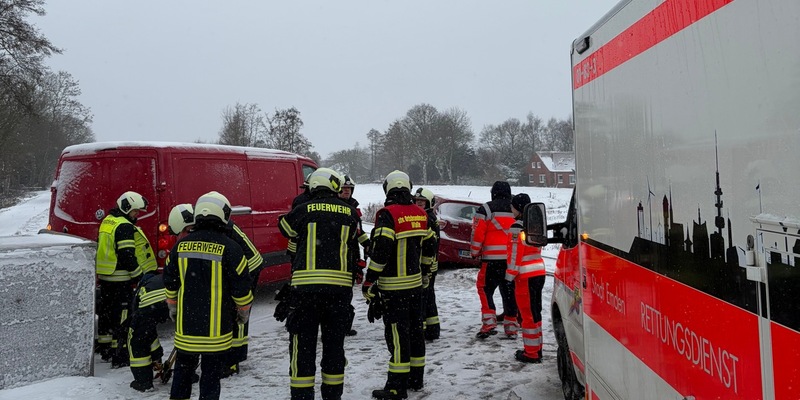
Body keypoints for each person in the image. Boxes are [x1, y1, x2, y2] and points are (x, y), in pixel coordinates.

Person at [278, 168, 361, 400]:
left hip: (306, 291)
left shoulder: (303, 209)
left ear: (313, 187)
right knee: (334, 347)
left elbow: (285, 229)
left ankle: (302, 396)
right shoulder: (350, 212)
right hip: (339, 293)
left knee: (302, 347)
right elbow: (355, 240)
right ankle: (332, 395)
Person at [164, 192, 254, 400]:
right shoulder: (232, 248)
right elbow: (242, 289)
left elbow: (170, 281)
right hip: (217, 333)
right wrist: (243, 313)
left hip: (186, 331)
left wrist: (173, 306)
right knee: (210, 378)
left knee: (183, 375)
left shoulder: (180, 246)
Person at [363, 170, 436, 400]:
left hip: (393, 288)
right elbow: (430, 247)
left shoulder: (387, 214)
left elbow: (382, 249)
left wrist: (370, 279)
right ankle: (416, 379)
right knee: (415, 332)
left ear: (388, 188)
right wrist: (424, 273)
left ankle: (396, 387)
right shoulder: (420, 213)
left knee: (397, 336)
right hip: (416, 287)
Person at [95, 191, 149, 367]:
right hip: (120, 278)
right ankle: (119, 353)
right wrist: (139, 275)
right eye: (135, 211)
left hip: (105, 276)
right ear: (127, 208)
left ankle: (104, 347)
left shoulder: (108, 221)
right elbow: (127, 255)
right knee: (122, 316)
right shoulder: (124, 226)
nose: (137, 215)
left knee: (106, 313)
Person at [469, 181, 519, 339]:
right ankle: (511, 326)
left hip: (491, 261)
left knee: (485, 289)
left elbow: (477, 234)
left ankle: (489, 322)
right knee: (510, 291)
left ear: (493, 192)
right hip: (511, 260)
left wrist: (474, 252)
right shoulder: (515, 209)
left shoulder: (486, 209)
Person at [505, 193, 546, 363]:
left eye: (512, 206)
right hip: (538, 273)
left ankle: (531, 353)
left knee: (527, 315)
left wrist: (509, 277)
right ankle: (537, 348)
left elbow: (514, 255)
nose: (511, 209)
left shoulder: (517, 228)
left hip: (525, 277)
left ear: (518, 209)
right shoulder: (534, 224)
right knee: (536, 314)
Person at [339, 175, 371, 337]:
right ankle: (336, 325)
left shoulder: (354, 208)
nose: (346, 192)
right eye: (343, 189)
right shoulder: (335, 207)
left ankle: (343, 325)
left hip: (351, 256)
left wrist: (367, 245)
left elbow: (359, 232)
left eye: (348, 189)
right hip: (337, 256)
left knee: (346, 292)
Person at [127, 267, 169, 392]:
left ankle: (143, 382)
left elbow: (136, 314)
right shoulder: (164, 278)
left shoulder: (143, 286)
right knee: (187, 336)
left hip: (151, 306)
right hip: (175, 300)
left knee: (137, 339)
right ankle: (187, 375)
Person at [413, 187, 441, 341]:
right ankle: (432, 329)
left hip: (426, 265)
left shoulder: (426, 219)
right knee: (429, 297)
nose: (419, 204)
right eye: (417, 201)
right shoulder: (430, 217)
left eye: (422, 201)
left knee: (422, 298)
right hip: (431, 264)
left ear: (429, 202)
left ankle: (421, 331)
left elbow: (427, 244)